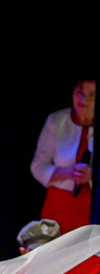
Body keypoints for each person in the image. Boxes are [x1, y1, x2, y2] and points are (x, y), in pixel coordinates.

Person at [31, 79, 95, 233]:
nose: (83, 100)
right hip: (59, 209)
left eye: (92, 95)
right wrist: (70, 172)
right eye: (80, 93)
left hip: (93, 212)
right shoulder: (56, 120)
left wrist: (93, 175)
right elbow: (38, 166)